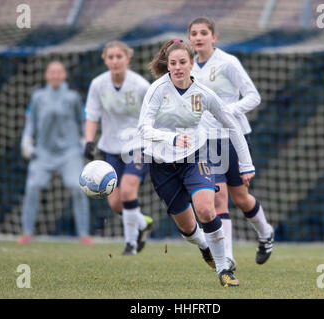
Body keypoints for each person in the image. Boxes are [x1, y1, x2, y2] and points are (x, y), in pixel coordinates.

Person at [139, 39, 255, 287]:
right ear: (167, 65)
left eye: (183, 62)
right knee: (189, 229)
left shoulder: (204, 93)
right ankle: (204, 246)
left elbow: (232, 127)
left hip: (195, 157)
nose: (178, 67)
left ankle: (224, 269)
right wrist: (171, 138)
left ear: (192, 63)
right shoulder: (157, 89)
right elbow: (143, 129)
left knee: (206, 209)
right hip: (161, 165)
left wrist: (246, 164)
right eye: (173, 63)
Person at [188, 17, 274, 269]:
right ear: (190, 38)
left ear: (214, 37)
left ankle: (265, 232)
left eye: (204, 32)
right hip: (206, 141)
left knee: (241, 197)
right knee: (218, 198)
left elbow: (253, 96)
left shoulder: (228, 62)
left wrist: (228, 110)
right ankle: (227, 258)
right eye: (194, 33)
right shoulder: (189, 66)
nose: (199, 37)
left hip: (233, 137)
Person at [84, 41, 153, 255]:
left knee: (127, 190)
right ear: (105, 60)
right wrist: (89, 141)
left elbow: (154, 116)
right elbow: (92, 116)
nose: (115, 61)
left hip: (138, 146)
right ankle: (141, 223)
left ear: (128, 59)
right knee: (115, 203)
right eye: (110, 57)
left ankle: (131, 245)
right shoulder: (97, 84)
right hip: (111, 147)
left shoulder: (141, 85)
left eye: (119, 57)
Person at [18, 61, 93, 245]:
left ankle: (84, 234)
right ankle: (27, 233)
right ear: (46, 75)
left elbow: (83, 119)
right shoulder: (38, 97)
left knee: (78, 187)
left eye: (59, 72)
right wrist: (26, 140)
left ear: (64, 75)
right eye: (52, 72)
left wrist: (86, 139)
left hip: (70, 152)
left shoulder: (73, 97)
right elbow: (31, 123)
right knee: (32, 187)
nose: (55, 75)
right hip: (43, 153)